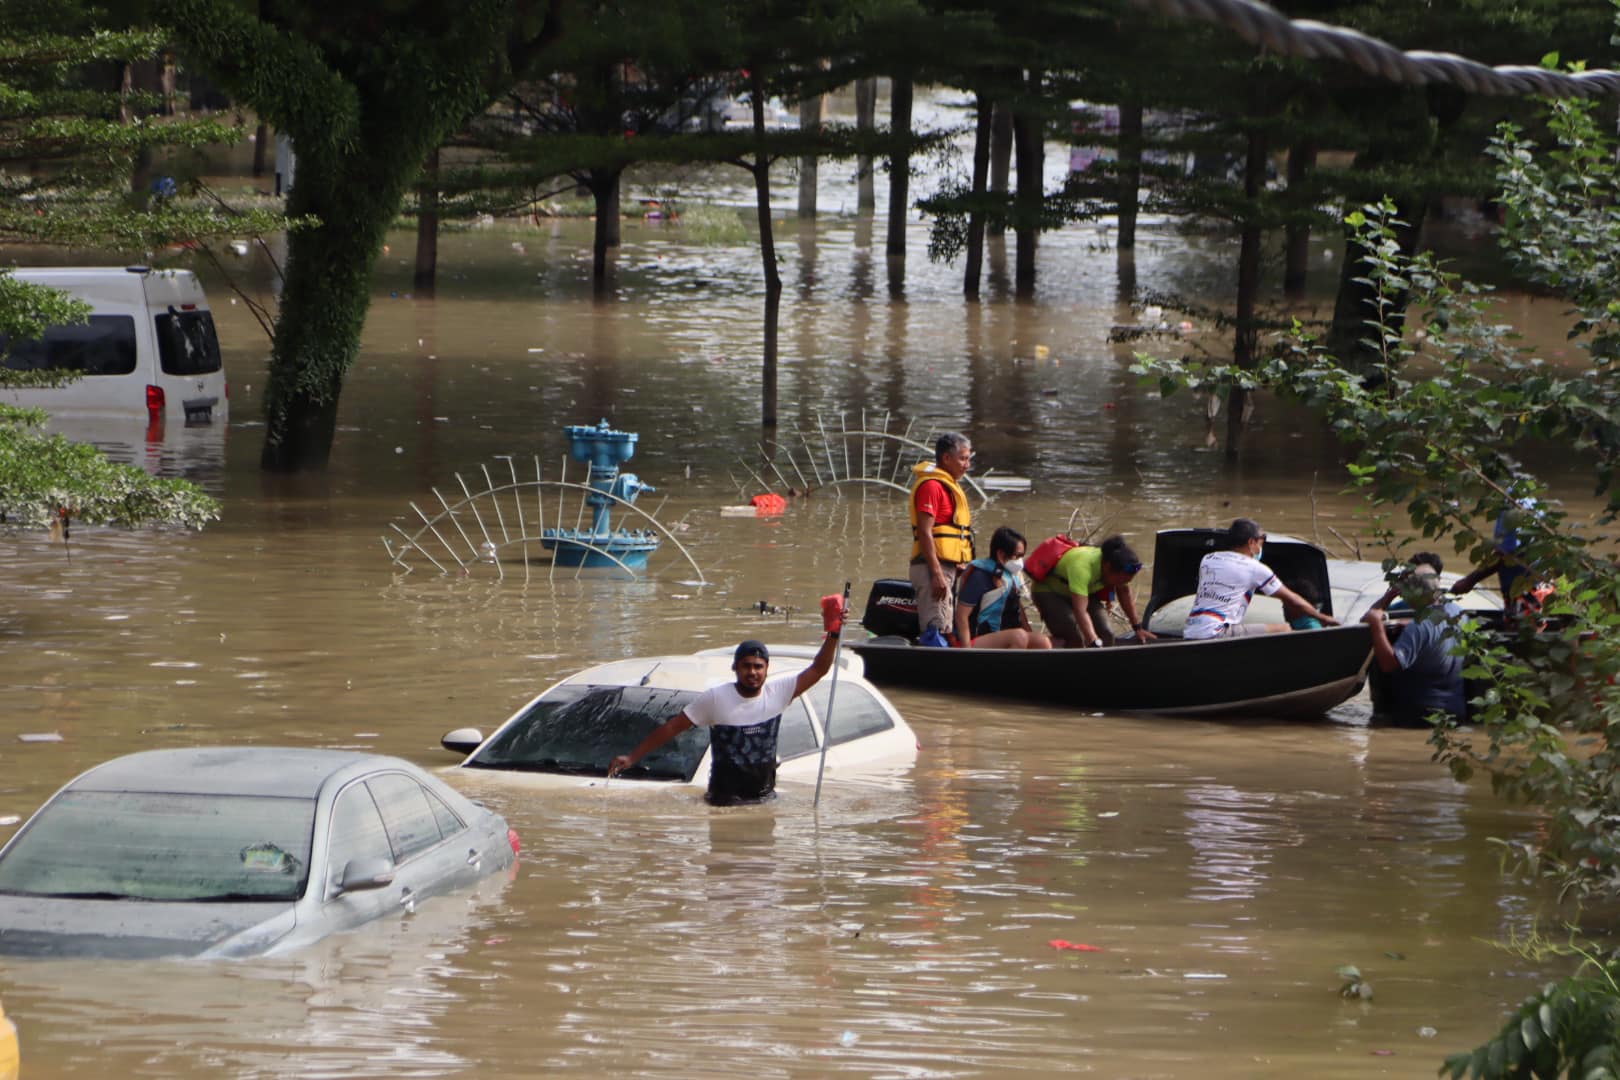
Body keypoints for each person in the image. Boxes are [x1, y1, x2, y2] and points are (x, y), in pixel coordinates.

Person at [607, 596, 845, 805]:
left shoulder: (778, 693)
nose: (752, 672)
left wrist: (833, 633)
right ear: (735, 668)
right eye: (746, 666)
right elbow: (672, 727)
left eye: (758, 667)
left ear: (766, 669)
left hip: (763, 801)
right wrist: (633, 757)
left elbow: (819, 669)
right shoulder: (716, 698)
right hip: (723, 802)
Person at [1184, 519, 1337, 639]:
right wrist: (1322, 617)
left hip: (1190, 630)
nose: (1261, 546)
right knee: (1284, 629)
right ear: (1251, 542)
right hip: (1215, 632)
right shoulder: (1254, 568)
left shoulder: (1208, 559)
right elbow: (1293, 600)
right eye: (1261, 540)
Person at [1361, 564, 1467, 726]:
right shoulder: (1458, 613)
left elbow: (1388, 664)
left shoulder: (1419, 626)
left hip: (1420, 715)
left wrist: (1377, 626)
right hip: (1455, 712)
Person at [1031, 534, 1156, 648]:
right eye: (1119, 581)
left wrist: (1137, 628)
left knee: (1107, 633)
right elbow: (1081, 611)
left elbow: (1124, 593)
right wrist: (1093, 640)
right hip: (1050, 592)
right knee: (1074, 636)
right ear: (1107, 567)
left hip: (1084, 591)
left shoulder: (1119, 570)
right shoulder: (1082, 567)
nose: (1121, 584)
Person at [909, 432, 975, 647]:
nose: (967, 465)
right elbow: (925, 531)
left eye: (968, 459)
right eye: (963, 459)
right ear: (946, 458)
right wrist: (936, 573)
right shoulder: (932, 487)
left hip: (948, 567)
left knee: (946, 625)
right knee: (935, 627)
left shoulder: (948, 485)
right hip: (933, 567)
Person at [1450, 501, 1553, 621]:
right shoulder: (1533, 503)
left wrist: (1470, 580)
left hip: (1525, 594)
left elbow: (1505, 554)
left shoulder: (1510, 508)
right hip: (1542, 588)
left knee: (1521, 628)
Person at [953, 526, 1052, 649]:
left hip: (1005, 635)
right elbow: (961, 615)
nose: (1020, 561)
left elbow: (1019, 611)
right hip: (975, 639)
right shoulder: (979, 576)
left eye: (1022, 556)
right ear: (1001, 554)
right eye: (1017, 556)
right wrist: (966, 649)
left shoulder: (1012, 576)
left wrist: (1030, 636)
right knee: (1019, 636)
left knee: (1042, 641)